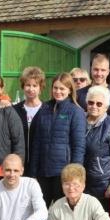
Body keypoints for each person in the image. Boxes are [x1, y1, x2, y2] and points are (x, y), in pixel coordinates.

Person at [29, 71, 85, 203]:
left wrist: (74, 174)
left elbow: (79, 146)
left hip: (63, 174)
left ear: (70, 90)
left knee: (63, 212)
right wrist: (33, 173)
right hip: (43, 172)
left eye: (62, 88)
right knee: (41, 212)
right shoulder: (44, 109)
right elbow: (36, 143)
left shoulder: (76, 111)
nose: (58, 91)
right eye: (55, 88)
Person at [83, 85, 110, 202]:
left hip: (102, 186)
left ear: (106, 106)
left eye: (99, 104)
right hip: (80, 183)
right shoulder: (79, 120)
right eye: (91, 102)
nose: (94, 106)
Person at [77, 53, 110, 123]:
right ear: (91, 70)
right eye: (96, 69)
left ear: (108, 72)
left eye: (103, 70)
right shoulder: (78, 95)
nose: (99, 74)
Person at [12, 66, 45, 169]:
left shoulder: (47, 110)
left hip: (41, 163)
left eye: (35, 85)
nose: (31, 89)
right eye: (28, 85)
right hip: (19, 163)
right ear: (23, 86)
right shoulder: (15, 110)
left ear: (40, 88)